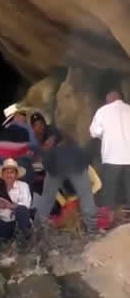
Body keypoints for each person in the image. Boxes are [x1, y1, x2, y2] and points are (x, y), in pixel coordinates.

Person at [35, 129, 98, 233]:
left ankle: (38, 228)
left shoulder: (53, 145)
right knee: (86, 194)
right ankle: (92, 228)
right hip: (74, 161)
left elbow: (46, 164)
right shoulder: (78, 148)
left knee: (47, 197)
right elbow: (86, 165)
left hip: (56, 163)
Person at [89, 89, 130, 226]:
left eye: (107, 99)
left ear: (110, 98)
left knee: (109, 193)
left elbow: (94, 132)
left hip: (112, 157)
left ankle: (109, 223)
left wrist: (105, 134)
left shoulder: (103, 111)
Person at [0, 104, 35, 186]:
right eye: (23, 114)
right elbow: (35, 146)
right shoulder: (25, 128)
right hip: (24, 171)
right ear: (16, 116)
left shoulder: (1, 135)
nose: (25, 116)